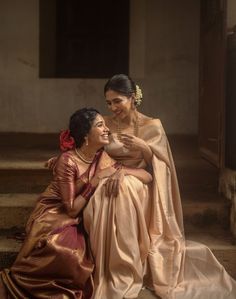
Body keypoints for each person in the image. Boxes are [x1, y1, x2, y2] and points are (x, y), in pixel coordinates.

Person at [83, 74, 236, 299]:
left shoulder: (152, 125)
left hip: (140, 179)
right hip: (110, 173)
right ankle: (108, 266)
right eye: (108, 102)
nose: (112, 107)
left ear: (132, 98)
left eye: (117, 101)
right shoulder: (104, 123)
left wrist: (143, 147)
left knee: (123, 191)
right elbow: (92, 152)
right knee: (100, 196)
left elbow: (160, 168)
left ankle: (125, 267)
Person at [0, 107, 152, 299]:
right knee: (66, 252)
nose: (107, 129)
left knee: (82, 255)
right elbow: (70, 210)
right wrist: (95, 182)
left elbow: (146, 176)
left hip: (81, 214)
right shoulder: (67, 161)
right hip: (55, 213)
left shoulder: (102, 157)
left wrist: (122, 172)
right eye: (100, 125)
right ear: (86, 136)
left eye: (105, 125)